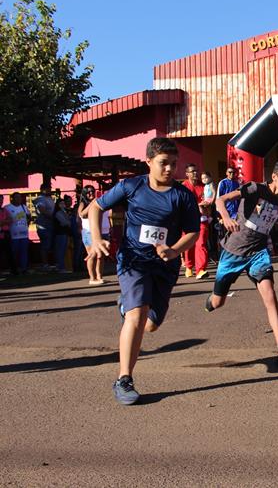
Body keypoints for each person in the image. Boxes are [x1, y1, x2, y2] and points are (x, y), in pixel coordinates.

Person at [87, 137, 200, 405]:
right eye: (164, 163)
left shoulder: (182, 195)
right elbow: (96, 207)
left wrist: (174, 251)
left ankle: (127, 307)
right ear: (148, 162)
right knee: (137, 315)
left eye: (174, 164)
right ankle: (124, 379)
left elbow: (193, 232)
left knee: (150, 325)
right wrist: (95, 238)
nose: (170, 169)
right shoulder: (132, 185)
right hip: (133, 261)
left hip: (164, 265)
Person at [205, 158, 278, 371]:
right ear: (274, 177)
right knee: (217, 303)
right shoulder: (254, 188)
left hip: (258, 253)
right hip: (233, 252)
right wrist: (226, 218)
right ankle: (211, 301)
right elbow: (220, 200)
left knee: (270, 296)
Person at [182, 163, 210, 279]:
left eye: (196, 171)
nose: (195, 173)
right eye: (192, 171)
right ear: (187, 174)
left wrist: (206, 206)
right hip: (187, 220)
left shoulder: (203, 186)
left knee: (201, 243)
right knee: (189, 244)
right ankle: (189, 266)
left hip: (202, 219)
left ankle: (201, 270)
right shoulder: (183, 186)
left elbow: (209, 200)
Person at [79, 186, 110, 285]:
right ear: (84, 194)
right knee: (92, 255)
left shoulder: (101, 202)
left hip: (104, 231)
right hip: (89, 232)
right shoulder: (83, 203)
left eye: (92, 191)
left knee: (101, 256)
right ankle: (92, 278)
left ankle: (99, 276)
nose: (91, 194)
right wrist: (93, 203)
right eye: (88, 192)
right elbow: (82, 214)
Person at [6, 192, 30, 274]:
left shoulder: (24, 207)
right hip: (13, 235)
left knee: (24, 252)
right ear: (12, 198)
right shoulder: (7, 208)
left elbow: (29, 216)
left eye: (20, 197)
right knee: (14, 252)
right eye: (16, 197)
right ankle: (14, 269)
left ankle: (24, 268)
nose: (19, 199)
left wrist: (27, 224)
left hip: (24, 234)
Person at [33, 183, 55, 271]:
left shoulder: (49, 198)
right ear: (42, 189)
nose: (50, 190)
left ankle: (50, 263)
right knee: (45, 245)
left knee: (50, 245)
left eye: (50, 188)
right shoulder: (40, 199)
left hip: (51, 224)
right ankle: (45, 264)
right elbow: (42, 210)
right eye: (48, 188)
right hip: (43, 226)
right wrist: (54, 216)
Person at [0, 194, 18, 275]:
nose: (1, 201)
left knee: (9, 253)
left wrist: (3, 222)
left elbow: (11, 219)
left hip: (6, 234)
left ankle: (14, 271)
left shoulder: (4, 210)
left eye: (1, 200)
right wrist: (5, 221)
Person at [52, 199, 71, 273]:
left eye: (64, 203)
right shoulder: (58, 212)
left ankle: (62, 267)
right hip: (60, 233)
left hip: (64, 233)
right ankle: (61, 268)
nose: (63, 205)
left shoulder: (63, 211)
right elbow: (65, 222)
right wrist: (68, 222)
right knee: (60, 251)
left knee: (63, 251)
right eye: (61, 203)